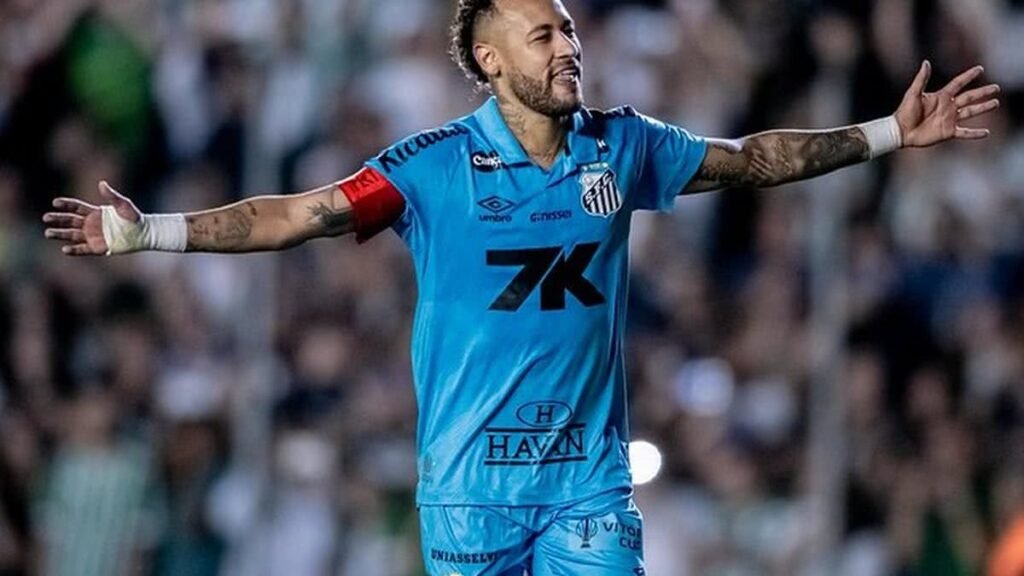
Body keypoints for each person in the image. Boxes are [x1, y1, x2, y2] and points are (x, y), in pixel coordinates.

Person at [43, 0, 1000, 573]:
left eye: (570, 29)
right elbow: (297, 215)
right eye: (542, 36)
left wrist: (889, 132)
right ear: (490, 60)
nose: (567, 46)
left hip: (587, 489)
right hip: (471, 494)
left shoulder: (622, 145)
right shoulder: (428, 168)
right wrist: (149, 231)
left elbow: (751, 158)